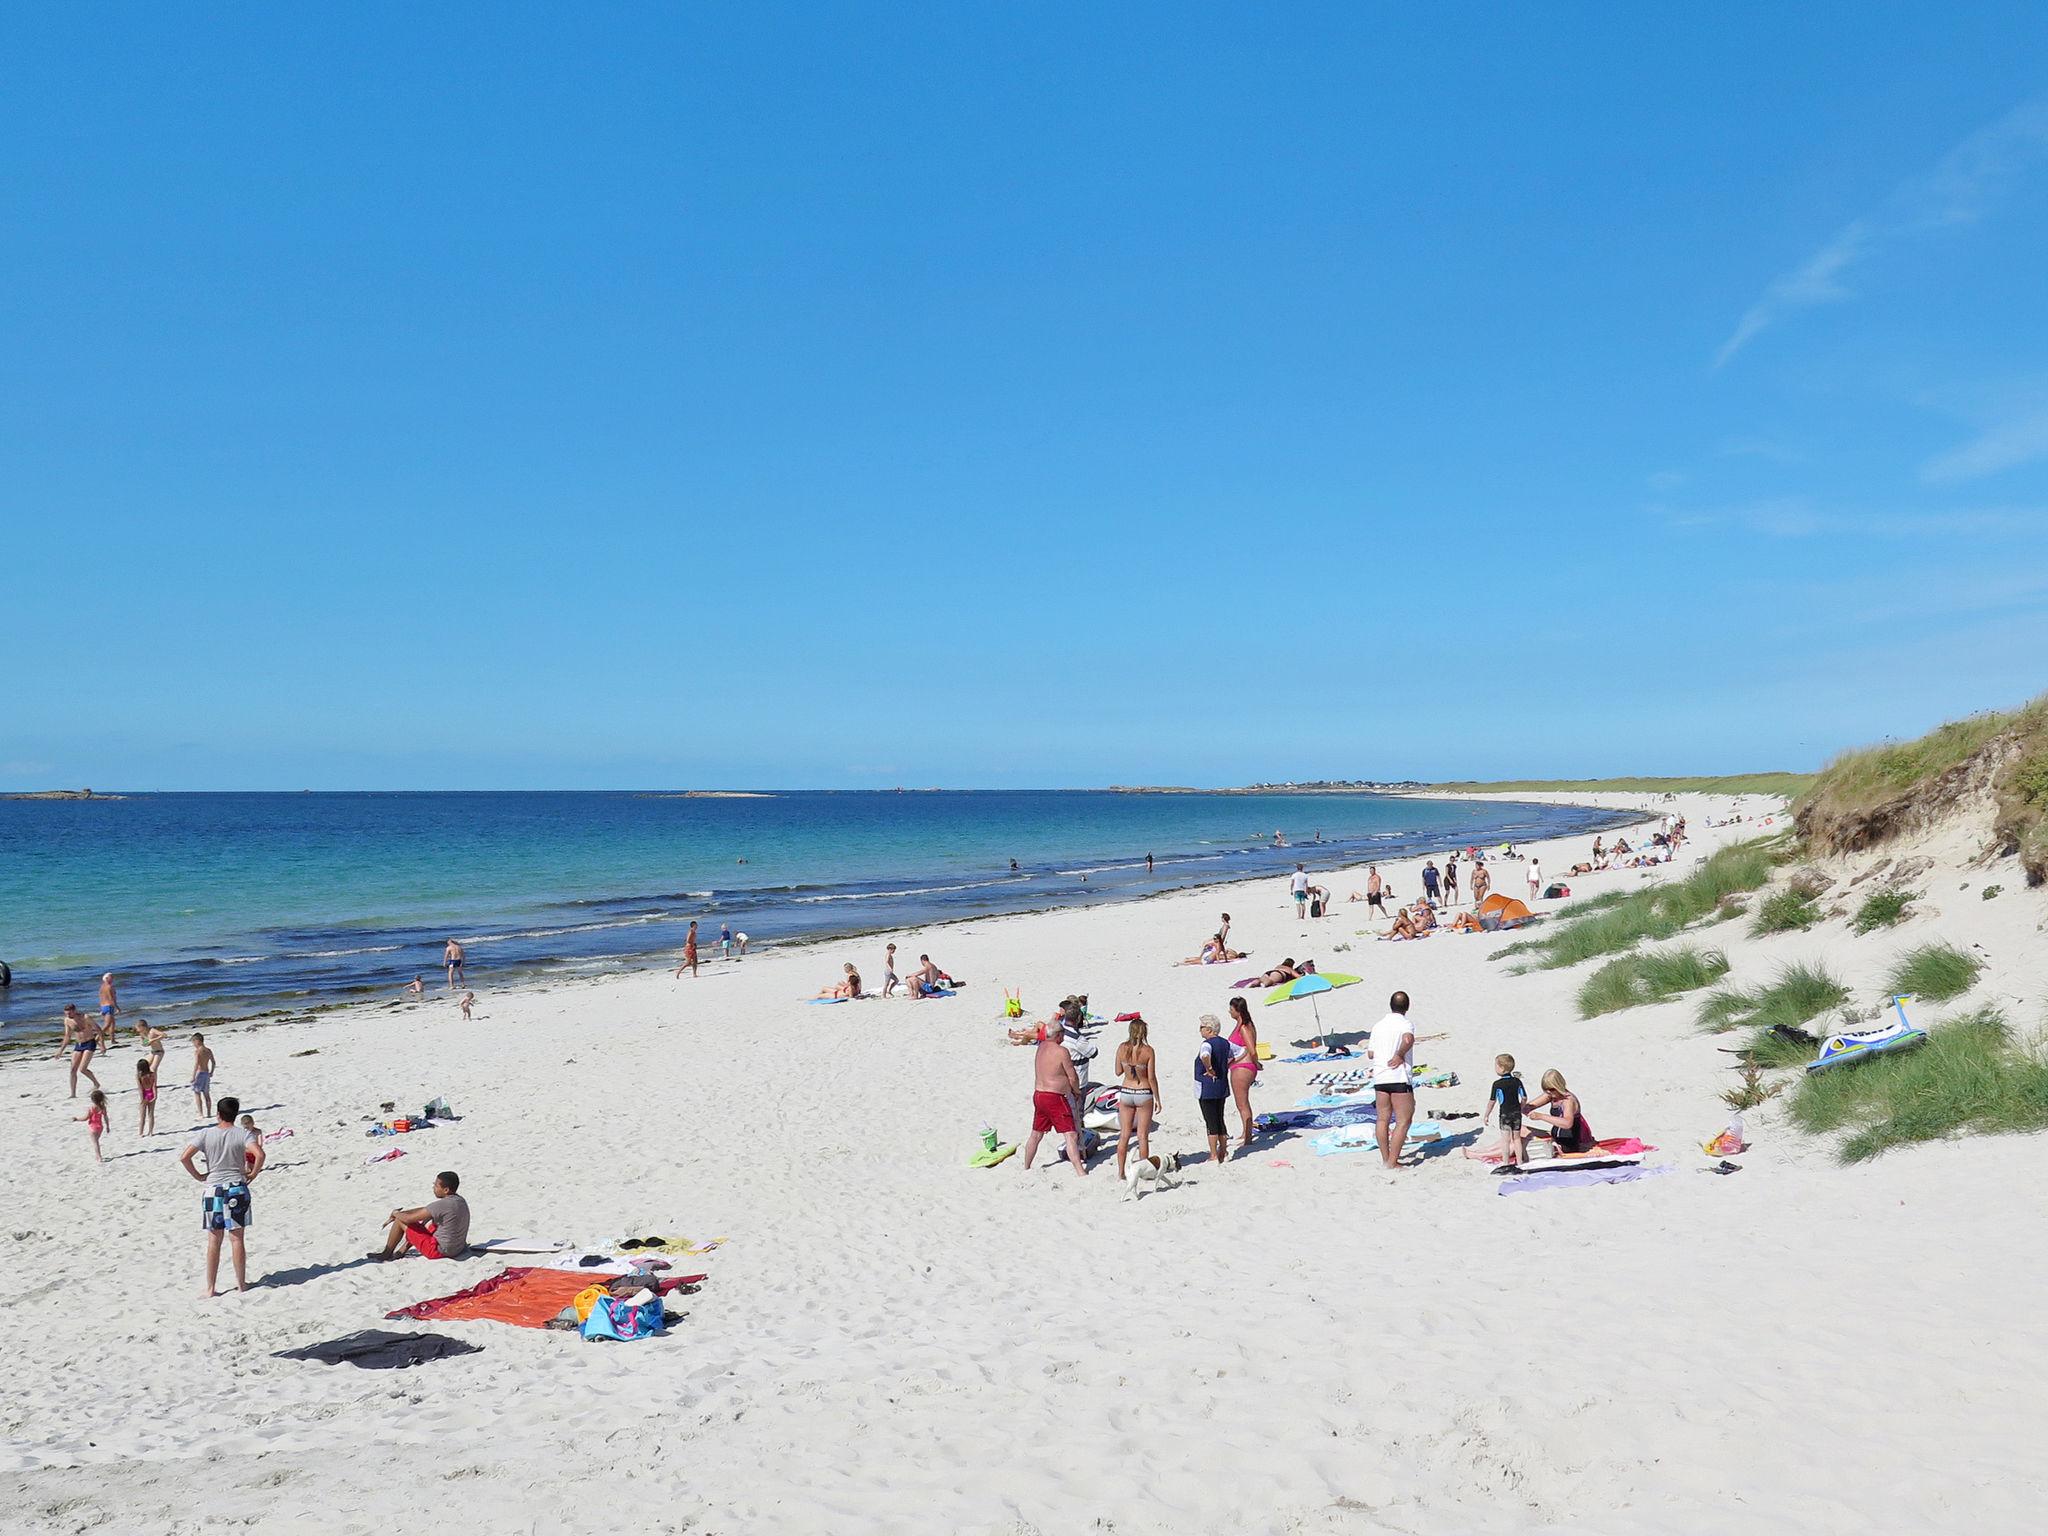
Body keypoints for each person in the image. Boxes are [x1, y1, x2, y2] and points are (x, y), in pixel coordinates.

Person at [180, 1095, 265, 1298]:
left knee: (214, 1240)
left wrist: (199, 1176)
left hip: (213, 1189)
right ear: (235, 1114)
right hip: (236, 1186)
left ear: (218, 1114)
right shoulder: (243, 1134)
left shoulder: (206, 1133)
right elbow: (260, 1155)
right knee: (237, 1239)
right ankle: (241, 1284)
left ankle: (210, 1288)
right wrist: (253, 1174)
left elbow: (184, 1157)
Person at [1022, 1024, 1086, 1177]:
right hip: (1055, 1097)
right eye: (1062, 1033)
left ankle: (1026, 1166)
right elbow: (1072, 1076)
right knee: (1071, 1135)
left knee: (1036, 1134)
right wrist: (1076, 1092)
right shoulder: (1061, 1051)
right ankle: (1080, 1171)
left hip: (1039, 1095)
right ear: (1058, 1035)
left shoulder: (1041, 1046)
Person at [370, 1171, 471, 1261]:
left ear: (446, 1190)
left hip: (439, 1251)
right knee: (432, 1223)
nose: (433, 1188)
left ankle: (386, 1254)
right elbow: (427, 1210)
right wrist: (404, 1212)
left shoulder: (442, 1205)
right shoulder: (460, 1201)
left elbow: (408, 1219)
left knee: (401, 1221)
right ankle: (403, 1249)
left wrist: (396, 1214)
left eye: (436, 1186)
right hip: (458, 1248)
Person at [1370, 991, 1417, 1171]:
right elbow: (1408, 1039)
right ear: (1407, 1006)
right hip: (1398, 1076)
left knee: (1382, 1119)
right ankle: (1392, 1161)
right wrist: (1399, 1054)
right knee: (1404, 1120)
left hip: (1380, 1076)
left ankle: (1385, 1158)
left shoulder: (1378, 1026)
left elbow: (1371, 1053)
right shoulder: (1405, 1023)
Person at [1112, 1018, 1160, 1180]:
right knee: (1142, 1136)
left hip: (1126, 1091)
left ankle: (1120, 1172)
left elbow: (1118, 1071)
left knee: (1124, 1134)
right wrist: (1158, 1099)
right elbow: (1151, 1077)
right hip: (1143, 1092)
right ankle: (1144, 1172)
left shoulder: (1121, 1048)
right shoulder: (1148, 1051)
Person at [1466, 1054, 1525, 1165]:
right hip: (1517, 1113)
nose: (1495, 1068)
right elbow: (1524, 1097)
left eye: (1496, 1066)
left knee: (1505, 1140)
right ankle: (1520, 1162)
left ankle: (1506, 1163)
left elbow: (1492, 1101)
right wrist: (1521, 1107)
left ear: (1502, 1068)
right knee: (1517, 1138)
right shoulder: (1517, 1081)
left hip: (1505, 1115)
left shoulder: (1497, 1084)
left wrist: (1486, 1114)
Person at [1524, 1069, 1592, 1154]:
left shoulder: (1568, 1100)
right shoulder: (1551, 1095)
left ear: (1558, 1086)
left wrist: (1541, 1116)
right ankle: (1505, 1158)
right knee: (1520, 1129)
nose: (1548, 1092)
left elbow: (1567, 1123)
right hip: (1555, 1137)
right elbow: (1527, 1108)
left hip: (1568, 1143)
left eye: (1551, 1089)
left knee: (1520, 1143)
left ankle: (1506, 1158)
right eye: (1545, 1089)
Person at [1195, 1015, 1233, 1165]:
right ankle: (1223, 1150)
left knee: (1211, 1122)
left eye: (1201, 1028)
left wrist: (1209, 1068)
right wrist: (1225, 1066)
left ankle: (1213, 1154)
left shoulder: (1206, 1043)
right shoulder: (1225, 1043)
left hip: (1208, 1088)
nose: (1200, 1031)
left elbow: (1205, 1054)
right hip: (1221, 1086)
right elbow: (1240, 1053)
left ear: (1209, 1029)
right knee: (1220, 1119)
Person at [1225, 995, 1260, 1151]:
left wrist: (1257, 1062)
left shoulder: (1244, 1027)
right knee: (1242, 1103)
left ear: (1237, 1010)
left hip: (1243, 1067)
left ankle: (1248, 1138)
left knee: (1242, 1104)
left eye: (1231, 1009)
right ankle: (1245, 1133)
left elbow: (1252, 1049)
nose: (1229, 1012)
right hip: (1241, 1066)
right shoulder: (1243, 1024)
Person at [58, 1003, 101, 1098]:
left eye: (70, 1013)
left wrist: (101, 1044)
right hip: (79, 1044)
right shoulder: (67, 1020)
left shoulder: (85, 1017)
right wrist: (60, 1051)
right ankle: (73, 1094)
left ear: (74, 1011)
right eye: (66, 1014)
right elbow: (67, 1036)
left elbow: (98, 1029)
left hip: (89, 1042)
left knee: (82, 1069)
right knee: (73, 1070)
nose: (68, 1015)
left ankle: (96, 1083)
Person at [76, 1089, 110, 1163]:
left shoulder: (91, 1108)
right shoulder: (103, 1107)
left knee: (95, 1143)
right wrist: (107, 1126)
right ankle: (98, 1156)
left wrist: (77, 1119)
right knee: (96, 1141)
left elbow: (86, 1118)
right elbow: (106, 1117)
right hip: (100, 1127)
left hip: (93, 1127)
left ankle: (99, 1156)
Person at [190, 1033, 216, 1119]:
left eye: (193, 1042)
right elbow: (213, 1062)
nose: (193, 1044)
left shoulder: (198, 1051)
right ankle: (208, 1113)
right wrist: (211, 1072)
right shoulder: (208, 1050)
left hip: (199, 1073)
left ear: (197, 1041)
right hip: (206, 1073)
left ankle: (201, 1114)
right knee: (206, 1094)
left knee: (197, 1094)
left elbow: (196, 1064)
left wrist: (193, 1076)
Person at [136, 1058, 158, 1136]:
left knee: (142, 1115)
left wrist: (142, 1099)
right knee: (151, 1114)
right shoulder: (152, 1074)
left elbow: (140, 1089)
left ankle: (141, 1132)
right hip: (151, 1093)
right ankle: (151, 1132)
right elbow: (154, 1086)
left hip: (145, 1094)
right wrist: (155, 1096)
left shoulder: (139, 1076)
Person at [98, 972, 120, 1045]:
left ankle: (112, 1039)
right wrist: (117, 1007)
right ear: (106, 978)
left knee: (112, 1023)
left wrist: (101, 1008)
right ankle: (96, 1039)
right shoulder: (110, 987)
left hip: (103, 1006)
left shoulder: (101, 987)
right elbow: (111, 999)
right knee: (107, 1025)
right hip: (109, 1006)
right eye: (111, 977)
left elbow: (101, 998)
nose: (113, 978)